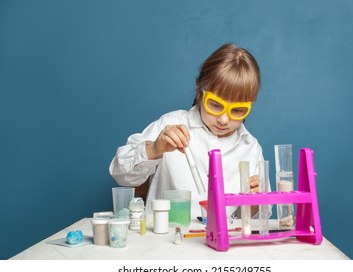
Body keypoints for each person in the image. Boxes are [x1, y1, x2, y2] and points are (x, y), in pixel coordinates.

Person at [109, 43, 270, 218]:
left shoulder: (250, 148)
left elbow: (251, 221)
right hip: (169, 239)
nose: (224, 119)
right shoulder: (170, 124)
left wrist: (254, 204)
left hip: (223, 242)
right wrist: (155, 149)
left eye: (238, 110)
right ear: (200, 91)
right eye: (215, 105)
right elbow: (120, 174)